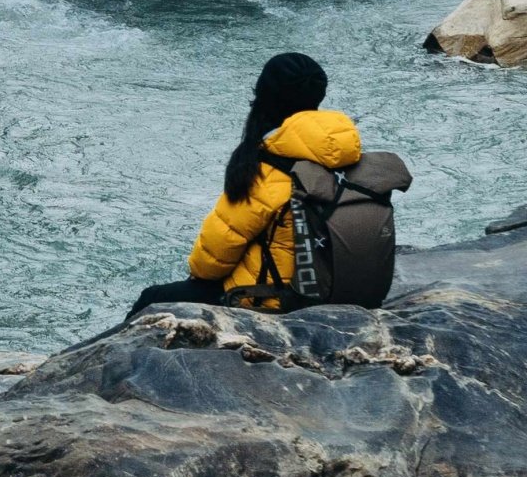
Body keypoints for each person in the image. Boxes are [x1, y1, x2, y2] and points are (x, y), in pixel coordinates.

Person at [123, 50, 363, 320]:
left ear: (264, 97)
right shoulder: (345, 155)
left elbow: (211, 262)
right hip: (340, 290)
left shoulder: (268, 169)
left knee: (153, 298)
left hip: (273, 299)